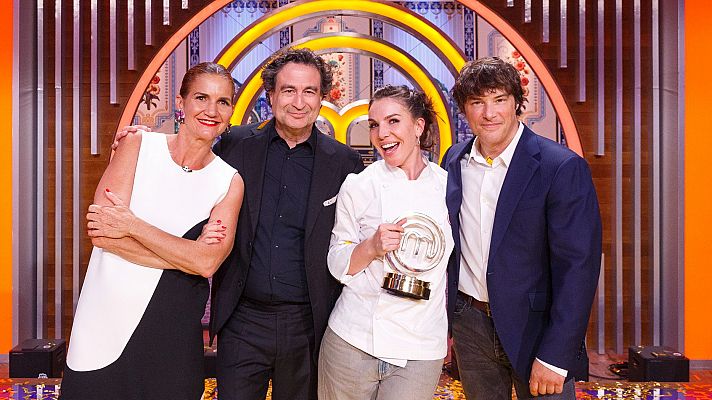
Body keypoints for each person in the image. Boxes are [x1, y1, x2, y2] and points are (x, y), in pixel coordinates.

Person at [60, 62, 245, 400]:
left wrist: (132, 226)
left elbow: (207, 263)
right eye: (201, 97)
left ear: (231, 111)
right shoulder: (137, 145)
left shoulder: (229, 181)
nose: (211, 110)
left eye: (222, 101)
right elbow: (102, 234)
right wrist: (187, 257)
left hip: (172, 332)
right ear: (180, 102)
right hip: (104, 322)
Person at [440, 56, 602, 399]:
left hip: (538, 330)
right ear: (464, 109)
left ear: (517, 103)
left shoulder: (560, 167)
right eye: (477, 102)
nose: (489, 113)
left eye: (499, 100)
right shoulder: (454, 161)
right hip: (470, 326)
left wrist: (557, 355)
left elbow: (579, 267)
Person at [208, 48, 364, 400]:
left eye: (309, 91)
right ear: (271, 95)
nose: (298, 102)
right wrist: (146, 143)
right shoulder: (236, 145)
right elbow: (191, 171)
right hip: (243, 319)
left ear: (322, 99)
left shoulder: (344, 163)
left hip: (308, 325)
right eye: (288, 90)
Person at [318, 85, 454, 400]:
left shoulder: (448, 188)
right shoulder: (358, 186)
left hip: (420, 346)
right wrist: (371, 247)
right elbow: (337, 262)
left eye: (393, 121)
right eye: (374, 125)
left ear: (418, 126)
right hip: (354, 339)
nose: (382, 134)